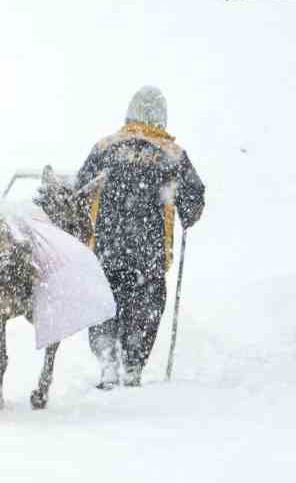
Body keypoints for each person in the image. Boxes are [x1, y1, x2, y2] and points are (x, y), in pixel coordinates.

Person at [76, 86, 204, 389]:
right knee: (144, 308)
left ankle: (107, 360)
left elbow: (80, 191)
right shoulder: (172, 155)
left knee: (103, 304)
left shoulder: (104, 148)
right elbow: (194, 202)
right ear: (162, 117)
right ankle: (133, 364)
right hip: (149, 255)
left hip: (105, 250)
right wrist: (184, 209)